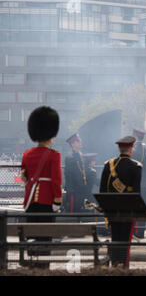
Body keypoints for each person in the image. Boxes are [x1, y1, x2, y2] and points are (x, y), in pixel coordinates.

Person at [20, 106, 62, 268]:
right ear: (51, 134)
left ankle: (32, 263)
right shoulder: (54, 155)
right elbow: (56, 180)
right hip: (46, 201)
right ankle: (43, 266)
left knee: (31, 233)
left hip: (30, 202)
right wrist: (57, 201)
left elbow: (24, 176)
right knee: (45, 236)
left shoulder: (26, 154)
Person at [99, 136, 142, 268]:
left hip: (112, 209)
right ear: (130, 149)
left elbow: (102, 190)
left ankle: (115, 264)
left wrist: (106, 209)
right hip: (128, 210)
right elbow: (136, 193)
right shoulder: (136, 166)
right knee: (125, 241)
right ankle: (123, 266)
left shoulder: (108, 165)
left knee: (115, 239)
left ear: (120, 148)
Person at [131, 128, 146, 239]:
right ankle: (140, 233)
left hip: (136, 184)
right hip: (144, 184)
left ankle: (135, 233)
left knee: (135, 210)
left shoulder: (133, 151)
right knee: (142, 210)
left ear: (135, 137)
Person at [64, 133, 89, 213]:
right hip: (74, 190)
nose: (81, 143)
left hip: (81, 188)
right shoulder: (70, 157)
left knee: (80, 210)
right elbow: (68, 175)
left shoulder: (80, 155)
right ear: (73, 144)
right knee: (74, 211)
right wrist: (71, 190)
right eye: (78, 141)